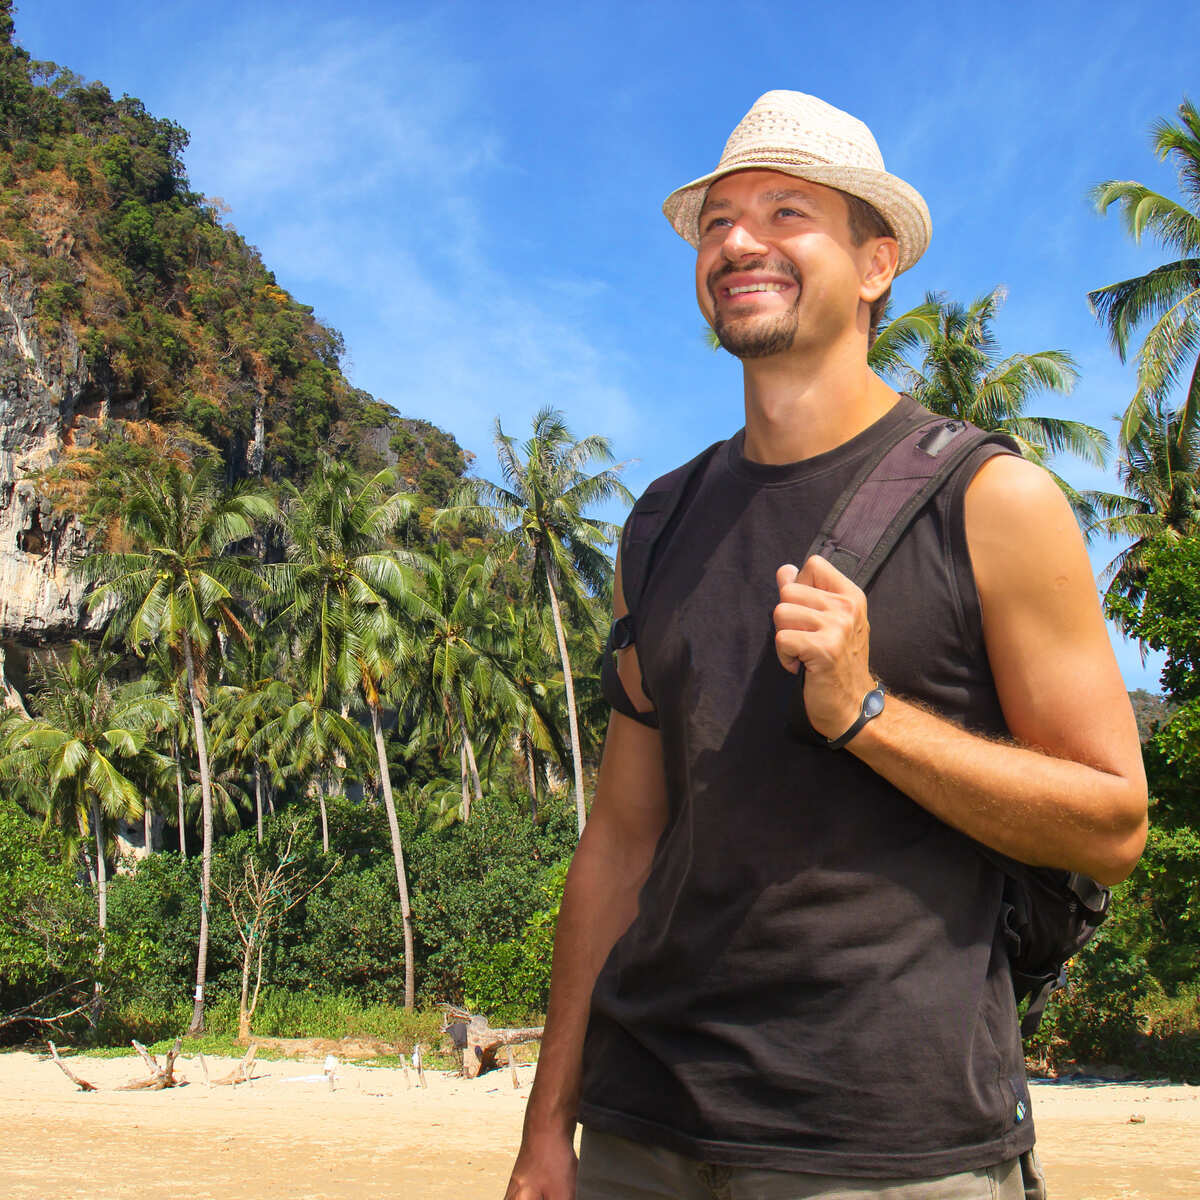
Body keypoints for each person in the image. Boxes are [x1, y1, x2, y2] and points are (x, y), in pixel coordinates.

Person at [505, 90, 1148, 1200]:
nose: (739, 241)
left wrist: (868, 715)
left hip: (884, 1146)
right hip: (639, 1129)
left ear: (876, 261)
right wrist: (544, 1128)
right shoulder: (659, 523)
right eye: (716, 221)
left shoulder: (992, 499)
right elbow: (619, 840)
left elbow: (1112, 820)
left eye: (787, 212)